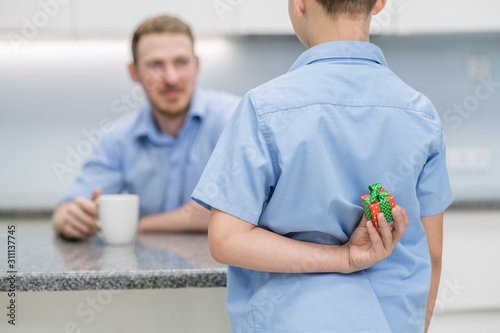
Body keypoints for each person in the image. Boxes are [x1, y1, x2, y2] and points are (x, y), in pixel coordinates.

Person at [191, 0, 453, 332]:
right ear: (379, 3)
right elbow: (433, 253)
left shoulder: (263, 109)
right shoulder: (421, 114)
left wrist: (341, 259)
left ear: (299, 3)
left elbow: (227, 240)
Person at [52, 15, 240, 240]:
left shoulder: (233, 120)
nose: (171, 78)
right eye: (156, 65)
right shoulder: (118, 139)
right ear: (134, 72)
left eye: (181, 62)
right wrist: (70, 219)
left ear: (196, 65)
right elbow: (67, 209)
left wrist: (142, 225)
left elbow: (229, 210)